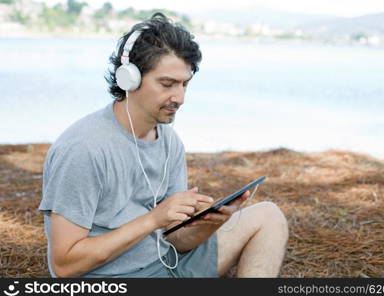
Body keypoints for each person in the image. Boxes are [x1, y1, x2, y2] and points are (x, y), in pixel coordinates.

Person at [39, 12, 288, 278]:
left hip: (166, 264)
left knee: (268, 217)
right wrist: (154, 219)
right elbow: (65, 265)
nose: (179, 98)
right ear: (129, 79)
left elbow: (176, 240)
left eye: (185, 84)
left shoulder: (169, 142)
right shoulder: (84, 149)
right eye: (167, 84)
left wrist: (211, 222)